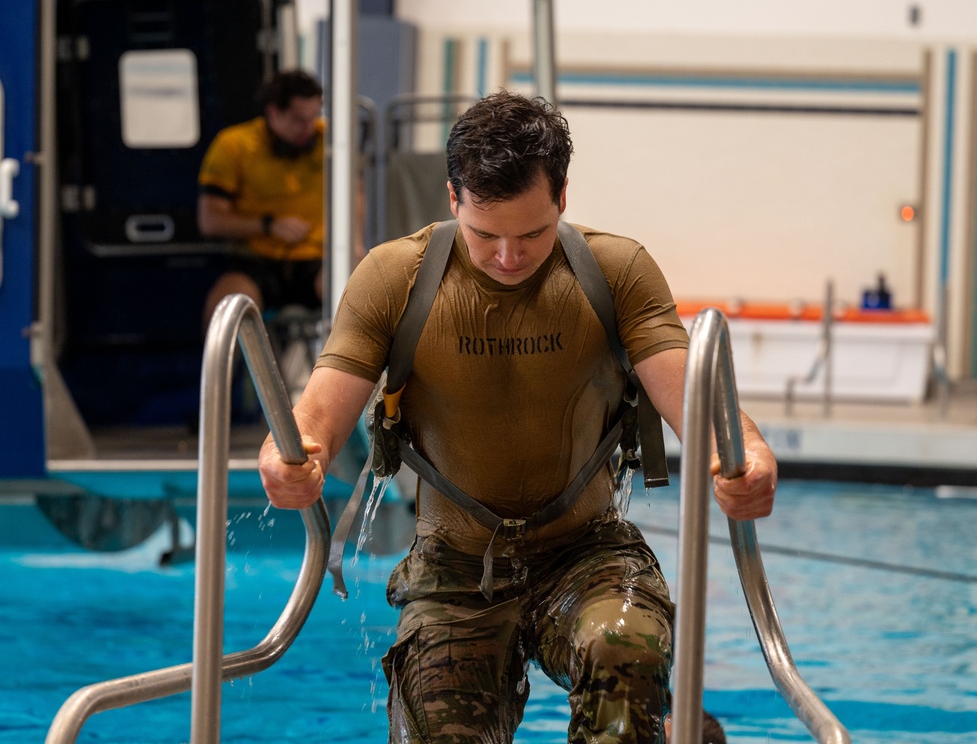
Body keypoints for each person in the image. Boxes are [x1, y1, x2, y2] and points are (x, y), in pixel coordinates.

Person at [258, 90, 778, 744]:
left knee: (627, 643)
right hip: (454, 566)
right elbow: (319, 410)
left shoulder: (615, 273)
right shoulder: (396, 278)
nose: (507, 256)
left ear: (562, 196)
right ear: (453, 199)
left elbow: (698, 403)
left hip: (586, 551)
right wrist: (293, 454)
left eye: (531, 234)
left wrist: (742, 454)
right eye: (484, 234)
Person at [197, 69, 326, 327]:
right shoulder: (234, 145)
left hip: (314, 260)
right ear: (273, 113)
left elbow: (355, 190)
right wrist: (268, 225)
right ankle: (222, 366)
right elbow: (210, 221)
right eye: (299, 120)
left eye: (314, 117)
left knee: (358, 293)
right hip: (256, 261)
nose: (309, 128)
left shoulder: (330, 141)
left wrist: (355, 242)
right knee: (225, 309)